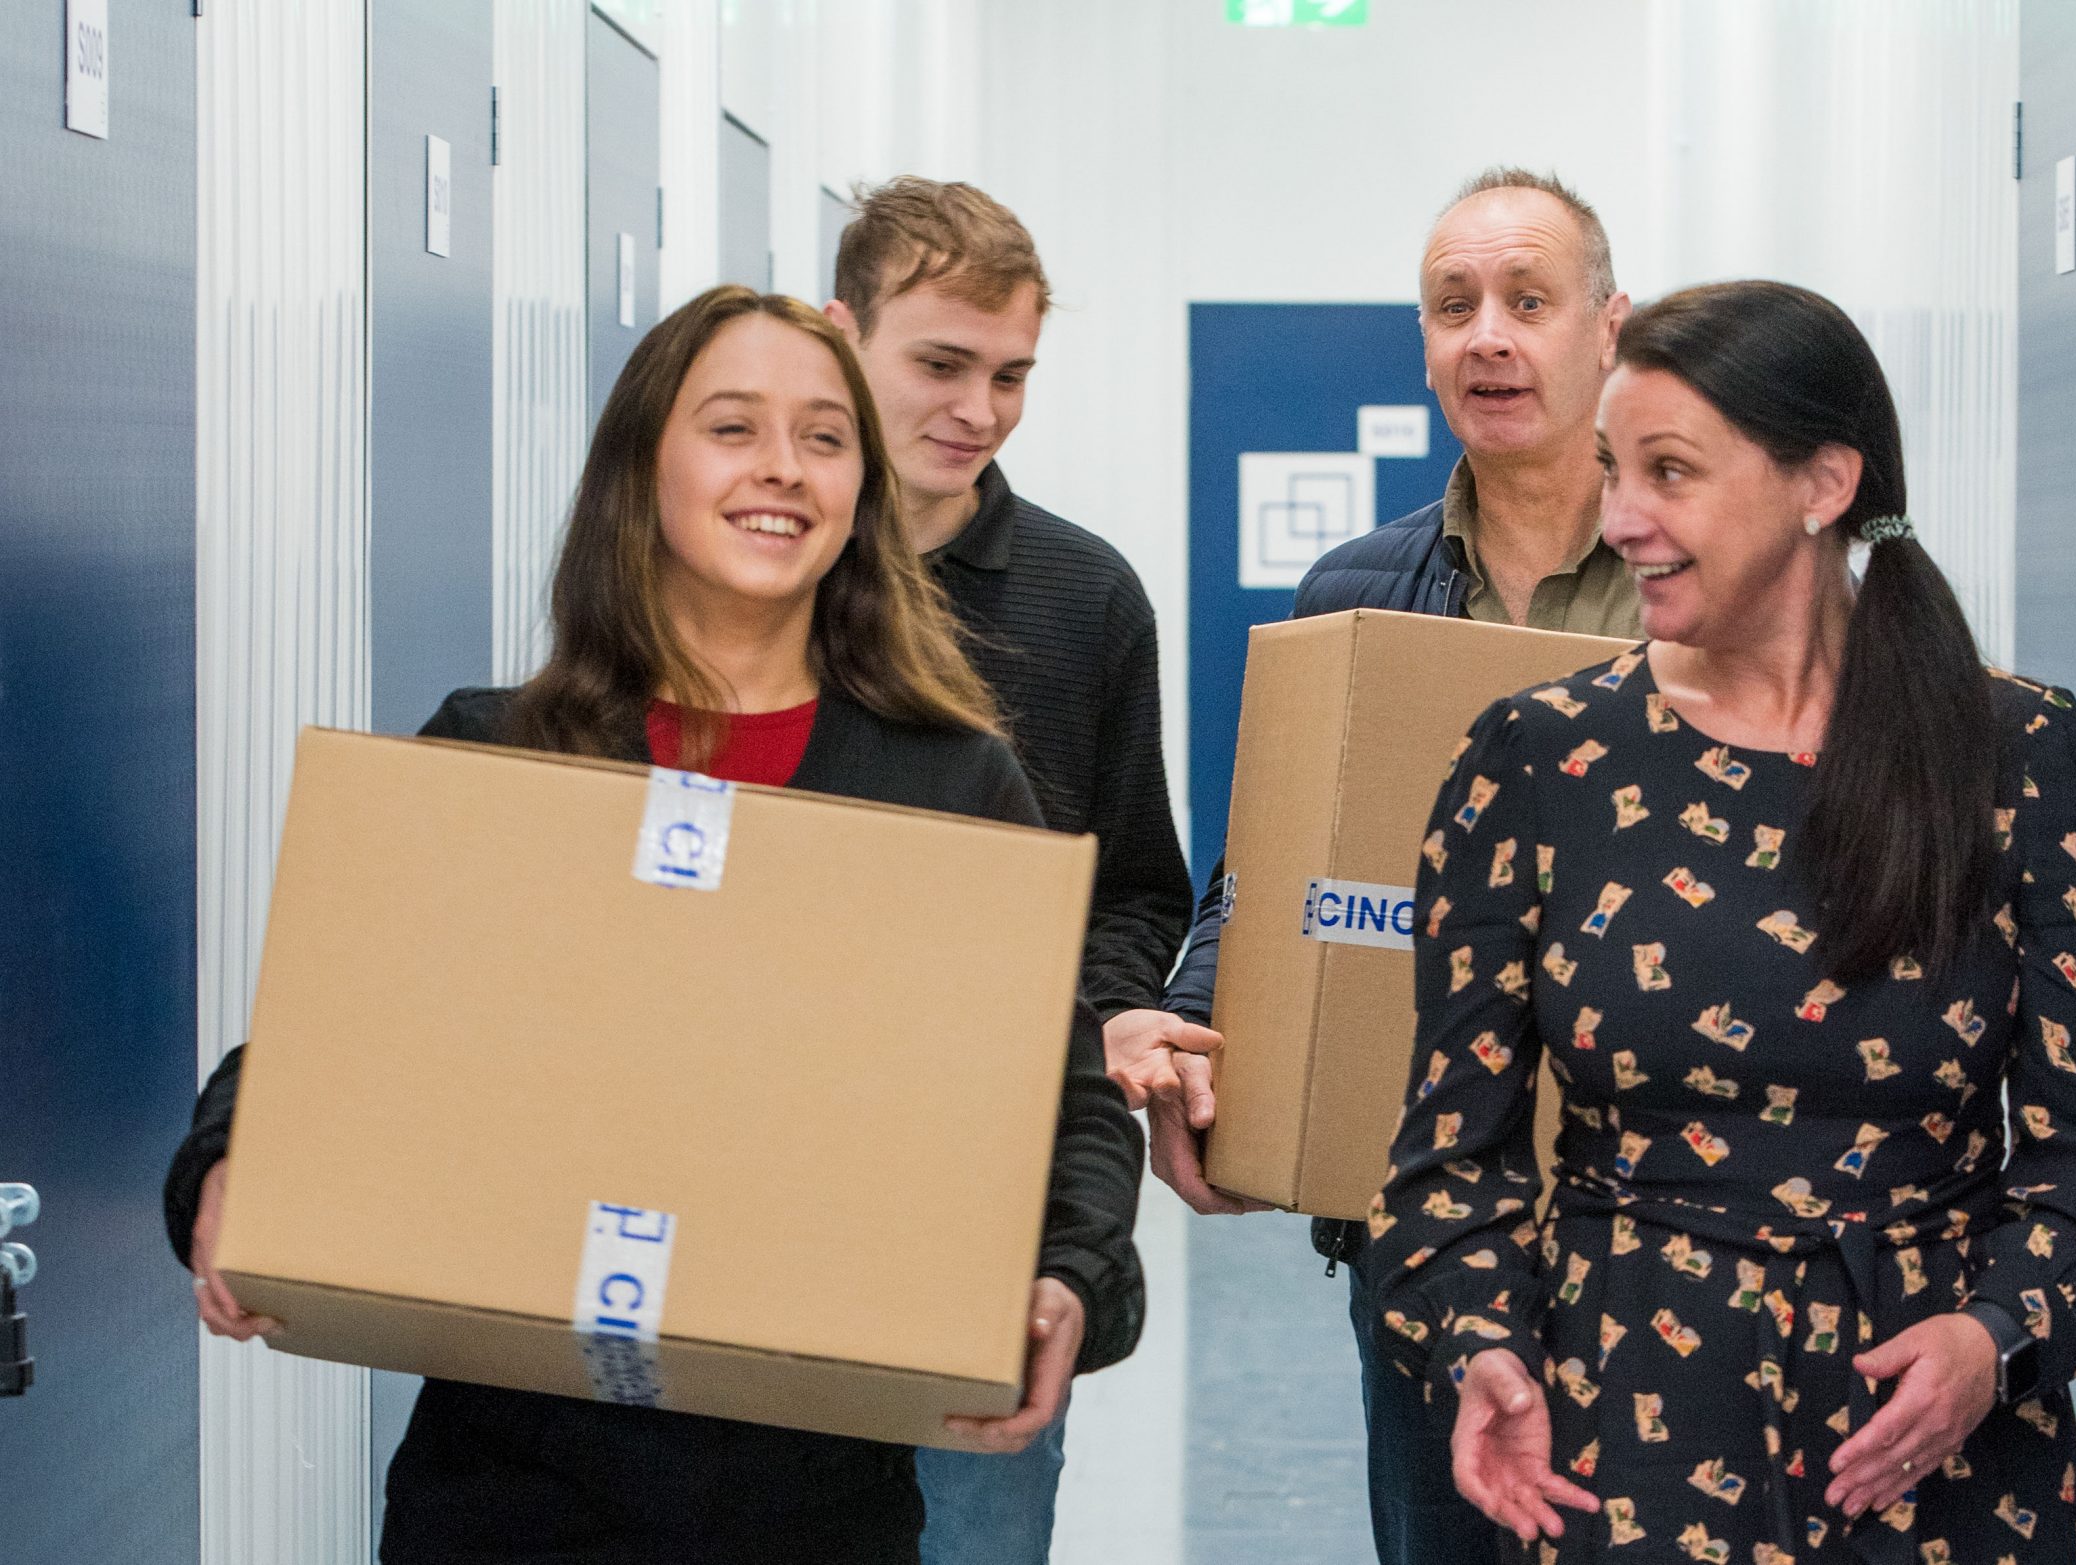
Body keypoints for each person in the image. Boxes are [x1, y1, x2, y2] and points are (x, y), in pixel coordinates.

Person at [164, 285, 1145, 1565]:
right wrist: (233, 1158)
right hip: (509, 1489)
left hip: (815, 1499)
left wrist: (1069, 1271)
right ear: (645, 466)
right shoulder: (501, 756)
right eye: (733, 427)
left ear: (860, 488)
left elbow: (1062, 1103)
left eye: (824, 437)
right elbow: (333, 1031)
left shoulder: (949, 786)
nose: (782, 469)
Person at [1370, 279, 2076, 1562]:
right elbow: (1447, 1161)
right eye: (1612, 470)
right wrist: (1481, 1341)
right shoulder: (1538, 758)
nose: (1622, 521)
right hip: (1626, 1429)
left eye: (1669, 473)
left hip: (1937, 1448)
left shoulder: (2015, 752)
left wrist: (1994, 1334)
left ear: (1822, 483)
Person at [1108, 168, 1643, 1565]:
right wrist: (1216, 1055)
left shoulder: (1704, 578)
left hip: (1665, 1225)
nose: (1489, 336)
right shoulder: (1354, 591)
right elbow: (1269, 875)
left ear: (1610, 328)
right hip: (1427, 1216)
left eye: (1529, 301)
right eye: (1453, 304)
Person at [821, 176, 1191, 1564]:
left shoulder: (1085, 598)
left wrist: (1073, 1021)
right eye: (940, 364)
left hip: (987, 1185)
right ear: (838, 332)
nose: (978, 408)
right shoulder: (752, 566)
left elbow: (1140, 881)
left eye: (1012, 374)